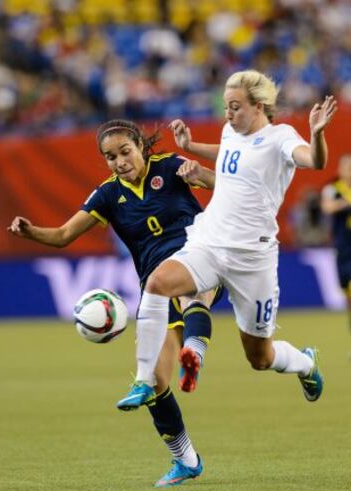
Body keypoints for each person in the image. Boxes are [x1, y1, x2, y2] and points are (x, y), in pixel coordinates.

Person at [8, 118, 220, 487]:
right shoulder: (107, 195)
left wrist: (200, 173)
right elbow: (61, 236)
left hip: (199, 257)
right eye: (110, 157)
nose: (120, 161)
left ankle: (195, 353)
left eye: (125, 152)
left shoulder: (170, 167)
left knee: (191, 293)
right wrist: (30, 231)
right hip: (155, 288)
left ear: (140, 146)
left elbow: (229, 187)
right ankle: (186, 459)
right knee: (155, 379)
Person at [117, 70, 337, 416]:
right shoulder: (231, 132)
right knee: (158, 284)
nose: (228, 114)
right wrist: (190, 147)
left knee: (259, 358)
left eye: (235, 107)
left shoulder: (281, 137)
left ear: (259, 106)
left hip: (252, 257)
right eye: (225, 107)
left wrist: (316, 134)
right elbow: (229, 152)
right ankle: (145, 380)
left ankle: (305, 363)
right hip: (210, 241)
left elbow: (315, 160)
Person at [321, 153, 351, 339]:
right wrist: (345, 203)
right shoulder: (333, 189)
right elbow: (327, 207)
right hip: (344, 251)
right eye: (346, 167)